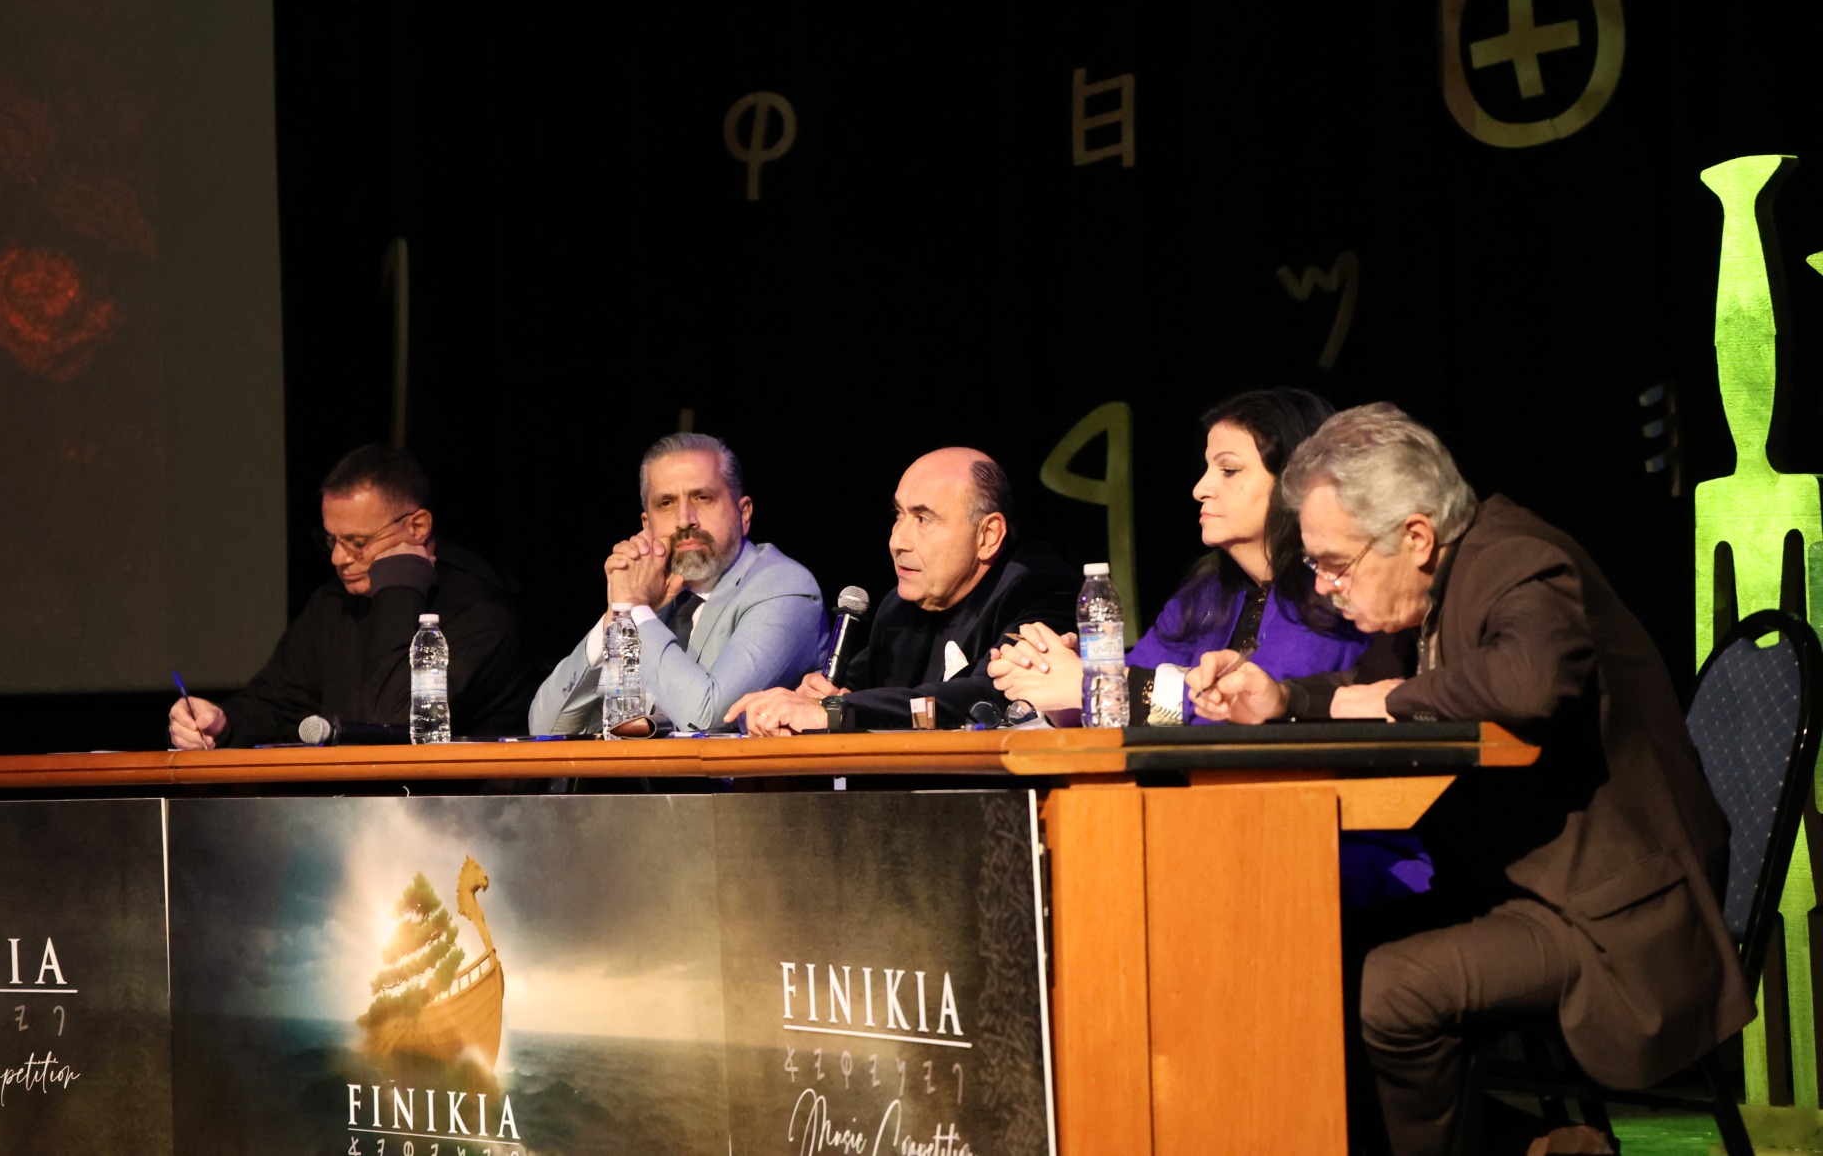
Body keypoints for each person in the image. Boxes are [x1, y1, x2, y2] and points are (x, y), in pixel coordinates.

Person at [1189, 404, 1750, 1156]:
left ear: (1417, 537)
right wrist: (1285, 698)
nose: (1323, 587)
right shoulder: (1426, 591)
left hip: (1612, 913)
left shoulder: (1517, 561)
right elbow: (1369, 687)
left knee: (1388, 990)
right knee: (1304, 959)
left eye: (1335, 564)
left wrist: (1384, 701)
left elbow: (1526, 679)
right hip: (1517, 884)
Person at [988, 389, 1365, 725]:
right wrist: (1051, 677)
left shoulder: (1329, 588)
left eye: (1229, 470)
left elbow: (1251, 710)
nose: (1200, 489)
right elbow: (1128, 689)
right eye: (1207, 468)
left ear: (1297, 480)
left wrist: (1093, 684)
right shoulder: (1205, 593)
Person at [168, 445, 529, 748]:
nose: (338, 558)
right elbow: (279, 704)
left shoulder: (480, 614)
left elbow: (390, 721)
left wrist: (400, 583)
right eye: (332, 540)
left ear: (418, 526)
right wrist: (222, 723)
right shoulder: (334, 604)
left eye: (357, 542)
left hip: (454, 809)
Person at [726, 447, 1077, 734]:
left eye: (923, 519)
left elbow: (992, 695)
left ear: (987, 536)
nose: (897, 541)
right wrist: (811, 699)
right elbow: (850, 694)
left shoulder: (1039, 589)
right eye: (899, 515)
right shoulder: (899, 608)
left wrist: (834, 712)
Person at [528, 432, 830, 735]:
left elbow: (708, 717)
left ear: (744, 514)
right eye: (666, 503)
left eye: (702, 498)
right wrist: (616, 616)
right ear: (647, 526)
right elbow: (547, 727)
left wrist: (635, 610)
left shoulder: (782, 587)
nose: (685, 519)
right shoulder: (649, 600)